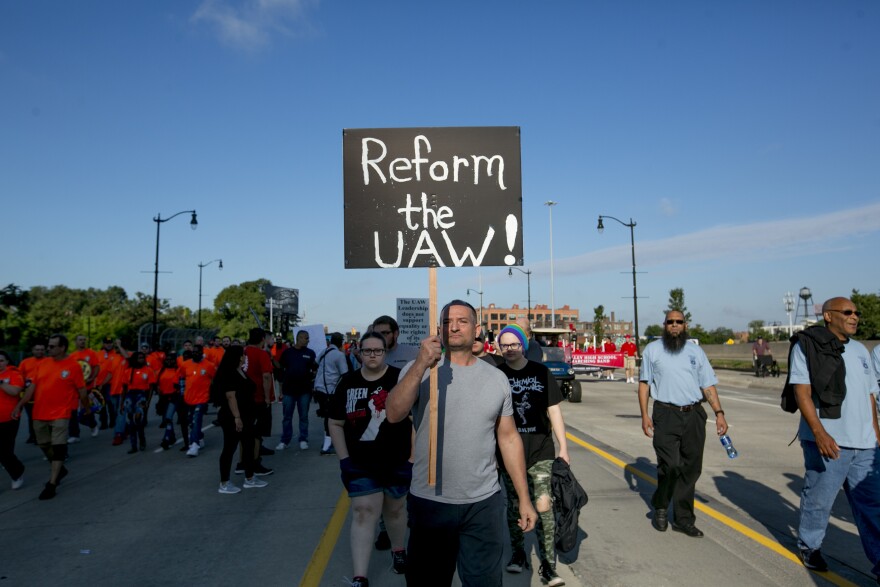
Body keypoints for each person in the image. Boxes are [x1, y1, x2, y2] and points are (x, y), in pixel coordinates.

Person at [386, 299, 536, 587]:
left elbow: (508, 438)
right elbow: (393, 414)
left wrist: (524, 498)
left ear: (476, 329)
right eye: (446, 322)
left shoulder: (496, 378)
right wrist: (421, 363)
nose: (453, 326)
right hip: (431, 501)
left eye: (462, 321)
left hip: (483, 503)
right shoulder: (418, 370)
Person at [788, 297, 879, 579]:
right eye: (847, 312)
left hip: (865, 445)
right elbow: (801, 392)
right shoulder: (807, 345)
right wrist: (819, 433)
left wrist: (876, 434)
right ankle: (809, 545)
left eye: (856, 313)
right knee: (819, 499)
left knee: (873, 507)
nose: (854, 317)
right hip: (829, 441)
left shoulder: (862, 351)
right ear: (828, 316)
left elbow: (870, 395)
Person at [329, 332, 412, 587]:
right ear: (359, 352)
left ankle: (399, 551)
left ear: (386, 352)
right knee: (364, 512)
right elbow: (335, 422)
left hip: (396, 461)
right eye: (367, 351)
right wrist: (344, 459)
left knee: (395, 510)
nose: (372, 355)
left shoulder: (400, 379)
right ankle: (360, 577)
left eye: (378, 351)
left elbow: (414, 422)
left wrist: (411, 459)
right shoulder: (347, 382)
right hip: (360, 463)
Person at [638, 311, 728, 537]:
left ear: (685, 325)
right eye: (670, 322)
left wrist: (718, 412)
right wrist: (644, 415)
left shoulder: (696, 351)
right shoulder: (653, 350)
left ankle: (683, 520)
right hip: (665, 413)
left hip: (694, 414)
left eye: (679, 322)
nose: (675, 326)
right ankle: (660, 505)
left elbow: (708, 385)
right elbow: (644, 385)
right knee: (671, 465)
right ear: (664, 325)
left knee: (690, 468)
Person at [496, 324, 568, 586]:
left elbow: (554, 411)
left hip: (540, 450)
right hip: (508, 454)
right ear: (499, 347)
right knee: (514, 505)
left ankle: (548, 565)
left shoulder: (541, 372)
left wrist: (564, 447)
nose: (510, 349)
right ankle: (518, 554)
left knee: (543, 506)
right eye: (504, 345)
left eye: (514, 344)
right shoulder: (497, 374)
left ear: (523, 344)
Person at [13, 334, 90, 500]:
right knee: (43, 444)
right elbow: (32, 387)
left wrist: (86, 407)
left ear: (62, 348)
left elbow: (82, 390)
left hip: (62, 412)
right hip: (40, 411)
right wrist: (19, 405)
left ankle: (52, 483)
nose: (48, 349)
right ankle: (60, 469)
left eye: (52, 346)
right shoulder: (43, 364)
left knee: (58, 446)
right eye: (48, 346)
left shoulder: (73, 366)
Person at [211, 345, 266, 494]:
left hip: (245, 416)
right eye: (243, 355)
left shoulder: (240, 371)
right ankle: (224, 483)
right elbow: (231, 396)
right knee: (229, 448)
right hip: (232, 417)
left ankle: (249, 478)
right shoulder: (229, 373)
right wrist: (237, 417)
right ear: (237, 356)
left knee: (248, 446)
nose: (245, 357)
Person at [241, 328, 274, 474]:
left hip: (243, 398)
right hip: (258, 398)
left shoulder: (243, 351)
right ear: (262, 339)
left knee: (244, 433)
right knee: (256, 434)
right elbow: (266, 376)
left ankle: (242, 462)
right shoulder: (261, 354)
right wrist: (267, 398)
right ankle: (254, 463)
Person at [276, 330, 317, 451]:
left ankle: (303, 439)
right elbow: (280, 366)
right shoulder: (287, 352)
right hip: (289, 390)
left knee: (303, 417)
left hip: (304, 390)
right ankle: (285, 440)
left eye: (308, 338)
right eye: (306, 338)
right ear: (299, 338)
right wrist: (272, 358)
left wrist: (312, 378)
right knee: (287, 417)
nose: (308, 340)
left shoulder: (310, 353)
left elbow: (314, 368)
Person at [177, 344, 216, 457]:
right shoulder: (185, 365)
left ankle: (194, 444)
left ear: (202, 353)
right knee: (191, 422)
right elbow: (182, 378)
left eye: (198, 352)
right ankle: (200, 436)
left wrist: (213, 395)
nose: (195, 353)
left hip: (202, 398)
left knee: (196, 419)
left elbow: (215, 379)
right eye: (193, 351)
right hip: (189, 399)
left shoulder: (209, 365)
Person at [314, 332, 349, 454]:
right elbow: (345, 374)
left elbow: (315, 364)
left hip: (319, 388)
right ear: (341, 342)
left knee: (327, 415)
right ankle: (327, 446)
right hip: (330, 390)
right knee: (332, 417)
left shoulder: (324, 352)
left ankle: (327, 443)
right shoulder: (339, 355)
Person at [120, 351, 157, 453]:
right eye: (139, 358)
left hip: (141, 396)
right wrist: (122, 403)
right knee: (131, 422)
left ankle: (142, 440)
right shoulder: (128, 371)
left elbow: (151, 388)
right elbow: (124, 388)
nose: (141, 360)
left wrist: (148, 402)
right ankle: (133, 446)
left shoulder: (148, 370)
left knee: (138, 418)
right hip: (130, 396)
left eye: (142, 358)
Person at [0, 351, 26, 490]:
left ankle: (17, 472)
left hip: (9, 418)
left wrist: (1, 383)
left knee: (5, 451)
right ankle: (15, 468)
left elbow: (15, 391)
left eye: (1, 360)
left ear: (7, 362)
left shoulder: (14, 374)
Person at [68, 334, 101, 441]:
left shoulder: (91, 353)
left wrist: (92, 378)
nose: (82, 341)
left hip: (87, 386)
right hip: (74, 388)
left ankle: (93, 425)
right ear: (76, 342)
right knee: (72, 410)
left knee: (86, 408)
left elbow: (96, 367)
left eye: (83, 340)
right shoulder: (72, 356)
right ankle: (74, 434)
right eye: (80, 340)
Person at [18, 341, 47, 443]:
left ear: (45, 350)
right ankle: (33, 435)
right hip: (29, 394)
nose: (40, 351)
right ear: (33, 350)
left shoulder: (49, 361)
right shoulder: (25, 362)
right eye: (37, 349)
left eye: (42, 350)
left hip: (44, 394)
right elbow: (19, 376)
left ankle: (43, 436)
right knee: (31, 416)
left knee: (43, 416)